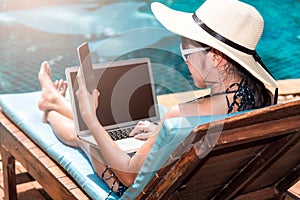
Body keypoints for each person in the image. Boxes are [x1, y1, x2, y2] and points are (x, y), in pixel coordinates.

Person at [37, 0, 278, 198]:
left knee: (85, 138)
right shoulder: (262, 101)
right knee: (110, 131)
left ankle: (51, 108)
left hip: (151, 191)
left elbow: (129, 176)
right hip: (211, 185)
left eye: (186, 50)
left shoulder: (182, 114)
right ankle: (56, 101)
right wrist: (164, 134)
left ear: (216, 57)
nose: (184, 59)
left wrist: (91, 118)